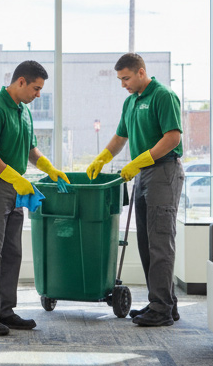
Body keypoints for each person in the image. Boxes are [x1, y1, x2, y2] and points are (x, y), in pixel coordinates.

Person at [0, 60, 69, 336]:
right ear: (21, 81)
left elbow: (30, 149)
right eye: (36, 88)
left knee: (11, 252)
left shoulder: (24, 111)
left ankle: (4, 311)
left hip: (15, 189)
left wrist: (49, 168)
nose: (38, 95)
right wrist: (14, 178)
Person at [87, 52, 183, 327]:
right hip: (144, 174)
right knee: (146, 242)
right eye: (120, 79)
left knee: (160, 241)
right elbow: (120, 137)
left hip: (164, 171)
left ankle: (161, 308)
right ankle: (163, 303)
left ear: (141, 72)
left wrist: (141, 160)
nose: (123, 84)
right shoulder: (130, 102)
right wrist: (102, 158)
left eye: (126, 78)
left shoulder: (163, 96)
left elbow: (172, 137)